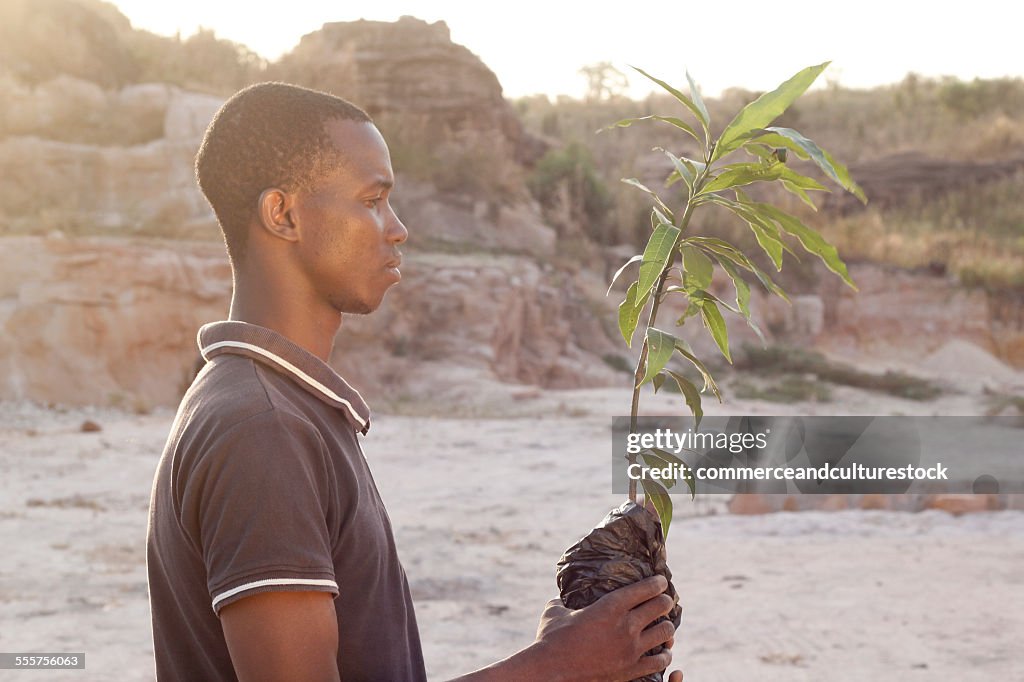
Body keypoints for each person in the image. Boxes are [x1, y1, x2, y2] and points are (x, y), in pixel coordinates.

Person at [146, 81, 682, 682]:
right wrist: (558, 665)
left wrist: (570, 661)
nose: (397, 228)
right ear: (284, 214)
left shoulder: (278, 406)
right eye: (372, 200)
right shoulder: (262, 427)